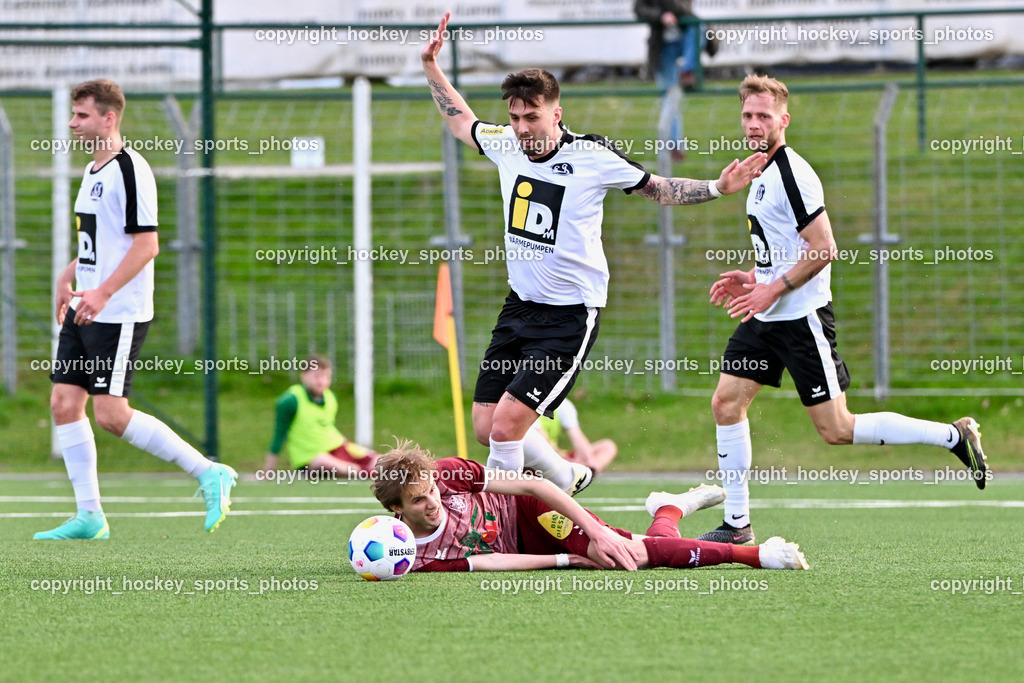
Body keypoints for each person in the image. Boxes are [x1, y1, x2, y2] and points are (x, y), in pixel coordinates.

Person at [421, 12, 766, 498]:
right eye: (515, 118)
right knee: (485, 425)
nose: (521, 128)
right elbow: (462, 122)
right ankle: (566, 476)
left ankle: (497, 524)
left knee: (505, 428)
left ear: (556, 114)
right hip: (518, 308)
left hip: (568, 317)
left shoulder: (591, 156)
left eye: (532, 117)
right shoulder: (505, 144)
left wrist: (716, 186)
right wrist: (431, 67)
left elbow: (657, 188)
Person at [699, 75, 989, 546]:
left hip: (801, 318)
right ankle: (737, 525)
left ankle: (954, 436)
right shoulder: (757, 172)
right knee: (726, 403)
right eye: (748, 115)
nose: (753, 124)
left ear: (783, 120)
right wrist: (755, 277)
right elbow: (785, 246)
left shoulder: (793, 174)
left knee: (837, 429)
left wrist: (774, 290)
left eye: (763, 116)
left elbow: (824, 248)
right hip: (765, 316)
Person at [36, 79, 236, 540]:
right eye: (73, 114)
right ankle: (90, 516)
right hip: (86, 307)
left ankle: (208, 471)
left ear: (109, 118)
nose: (72, 123)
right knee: (64, 403)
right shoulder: (92, 171)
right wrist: (69, 276)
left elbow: (147, 245)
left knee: (110, 415)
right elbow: (101, 242)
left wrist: (103, 292)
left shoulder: (131, 169)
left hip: (117, 311)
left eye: (82, 115)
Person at [369, 442, 808, 572]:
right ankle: (669, 511)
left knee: (626, 554)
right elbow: (489, 562)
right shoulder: (415, 558)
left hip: (529, 510)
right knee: (638, 550)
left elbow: (532, 484)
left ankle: (757, 555)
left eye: (432, 490)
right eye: (418, 500)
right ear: (396, 510)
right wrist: (564, 560)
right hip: (523, 546)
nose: (433, 501)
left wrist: (594, 532)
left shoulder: (449, 472)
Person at [262, 355, 377, 477]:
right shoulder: (290, 401)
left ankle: (383, 471)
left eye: (326, 376)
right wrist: (268, 471)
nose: (321, 381)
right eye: (316, 376)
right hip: (310, 458)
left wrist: (348, 445)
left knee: (379, 460)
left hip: (336, 447)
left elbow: (327, 427)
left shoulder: (330, 397)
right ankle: (373, 474)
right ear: (303, 376)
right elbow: (279, 436)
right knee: (333, 465)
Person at [532, 397, 618, 475]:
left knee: (608, 446)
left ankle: (584, 475)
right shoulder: (531, 402)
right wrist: (564, 459)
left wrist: (589, 460)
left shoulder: (563, 404)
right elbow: (543, 442)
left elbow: (576, 435)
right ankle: (573, 475)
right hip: (536, 457)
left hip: (558, 457)